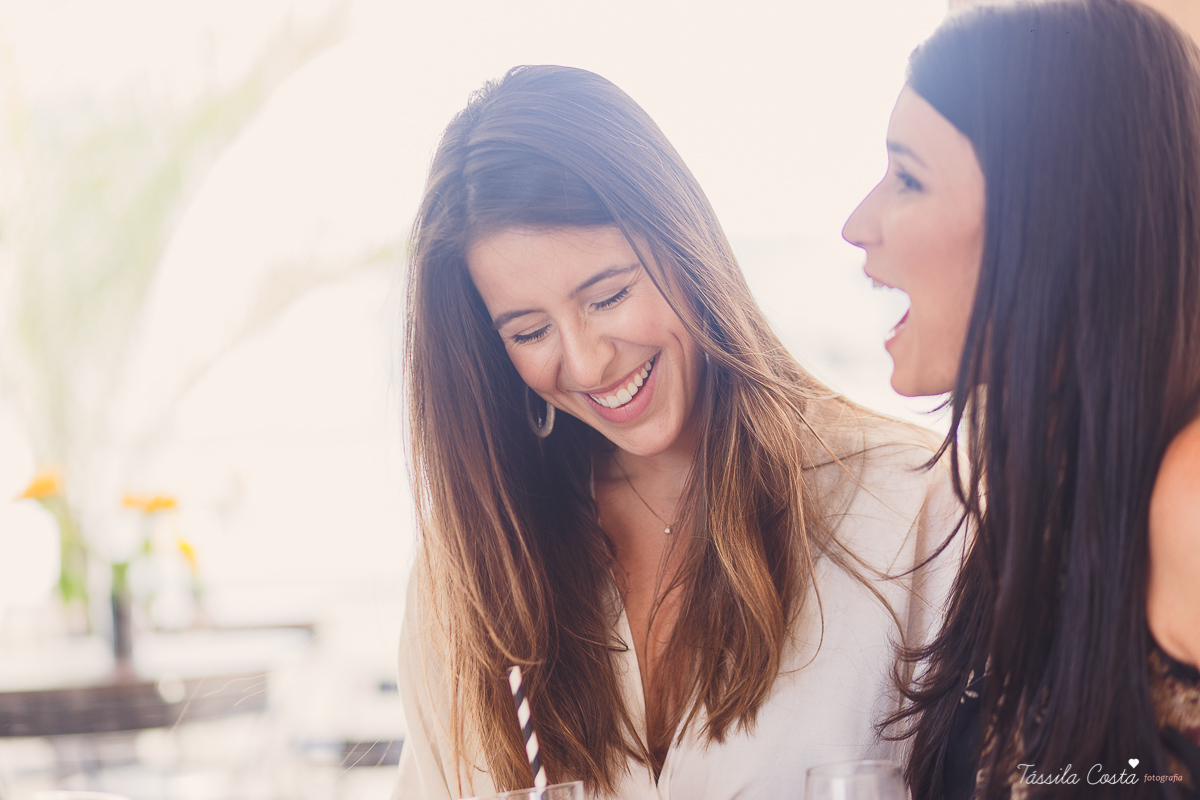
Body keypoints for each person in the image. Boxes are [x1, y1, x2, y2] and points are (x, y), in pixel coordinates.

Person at [396, 65, 960, 800]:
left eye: (609, 295)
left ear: (684, 244)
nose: (588, 360)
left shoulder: (909, 507)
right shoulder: (467, 574)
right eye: (530, 331)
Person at [842, 1, 1200, 798]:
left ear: (1056, 216)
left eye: (908, 178)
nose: (857, 223)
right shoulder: (1044, 482)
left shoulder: (1189, 493)